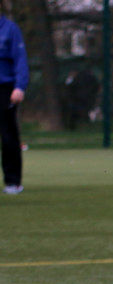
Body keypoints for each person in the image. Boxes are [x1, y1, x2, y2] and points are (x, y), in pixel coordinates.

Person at [0, 5, 28, 195]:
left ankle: (13, 182)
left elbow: (20, 60)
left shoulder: (10, 29)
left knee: (8, 136)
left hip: (5, 89)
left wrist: (19, 86)